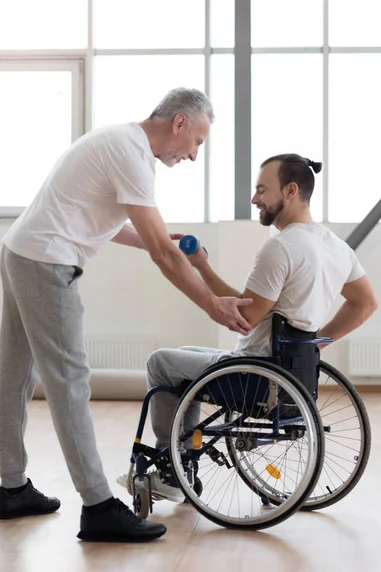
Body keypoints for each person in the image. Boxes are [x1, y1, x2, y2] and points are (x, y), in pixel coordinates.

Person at [0, 87, 253, 542]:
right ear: (178, 123)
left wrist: (157, 240)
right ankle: (98, 506)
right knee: (70, 381)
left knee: (16, 373)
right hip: (46, 261)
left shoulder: (120, 142)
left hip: (22, 250)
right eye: (197, 142)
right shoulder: (132, 155)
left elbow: (106, 217)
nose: (195, 155)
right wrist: (213, 305)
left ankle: (10, 487)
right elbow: (162, 253)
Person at [118, 153, 378, 502]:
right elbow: (365, 304)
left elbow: (244, 315)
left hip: (255, 375)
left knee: (160, 363)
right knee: (184, 355)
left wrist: (199, 272)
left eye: (260, 190)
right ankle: (181, 463)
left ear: (289, 190)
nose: (254, 199)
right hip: (290, 374)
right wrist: (314, 344)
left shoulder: (281, 247)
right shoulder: (336, 248)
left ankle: (172, 470)